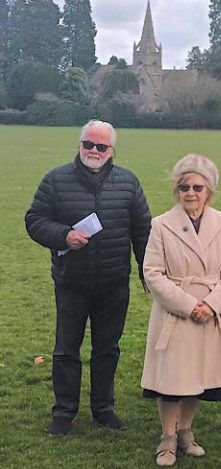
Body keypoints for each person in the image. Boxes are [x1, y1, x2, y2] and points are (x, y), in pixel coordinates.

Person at [25, 120, 151, 437]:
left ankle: (103, 408)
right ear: (80, 144)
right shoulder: (55, 180)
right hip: (71, 282)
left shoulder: (128, 183)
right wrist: (64, 235)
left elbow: (143, 231)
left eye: (101, 146)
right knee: (66, 350)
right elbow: (34, 220)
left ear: (112, 150)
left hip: (113, 283)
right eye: (88, 144)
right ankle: (64, 412)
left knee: (107, 349)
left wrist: (145, 269)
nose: (94, 151)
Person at [141, 154, 221, 467]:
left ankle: (185, 432)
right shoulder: (161, 225)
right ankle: (167, 438)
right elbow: (152, 272)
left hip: (209, 313)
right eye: (184, 187)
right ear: (177, 190)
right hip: (175, 313)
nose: (191, 193)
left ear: (209, 190)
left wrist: (211, 304)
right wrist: (188, 305)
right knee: (172, 379)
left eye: (197, 187)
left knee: (196, 377)